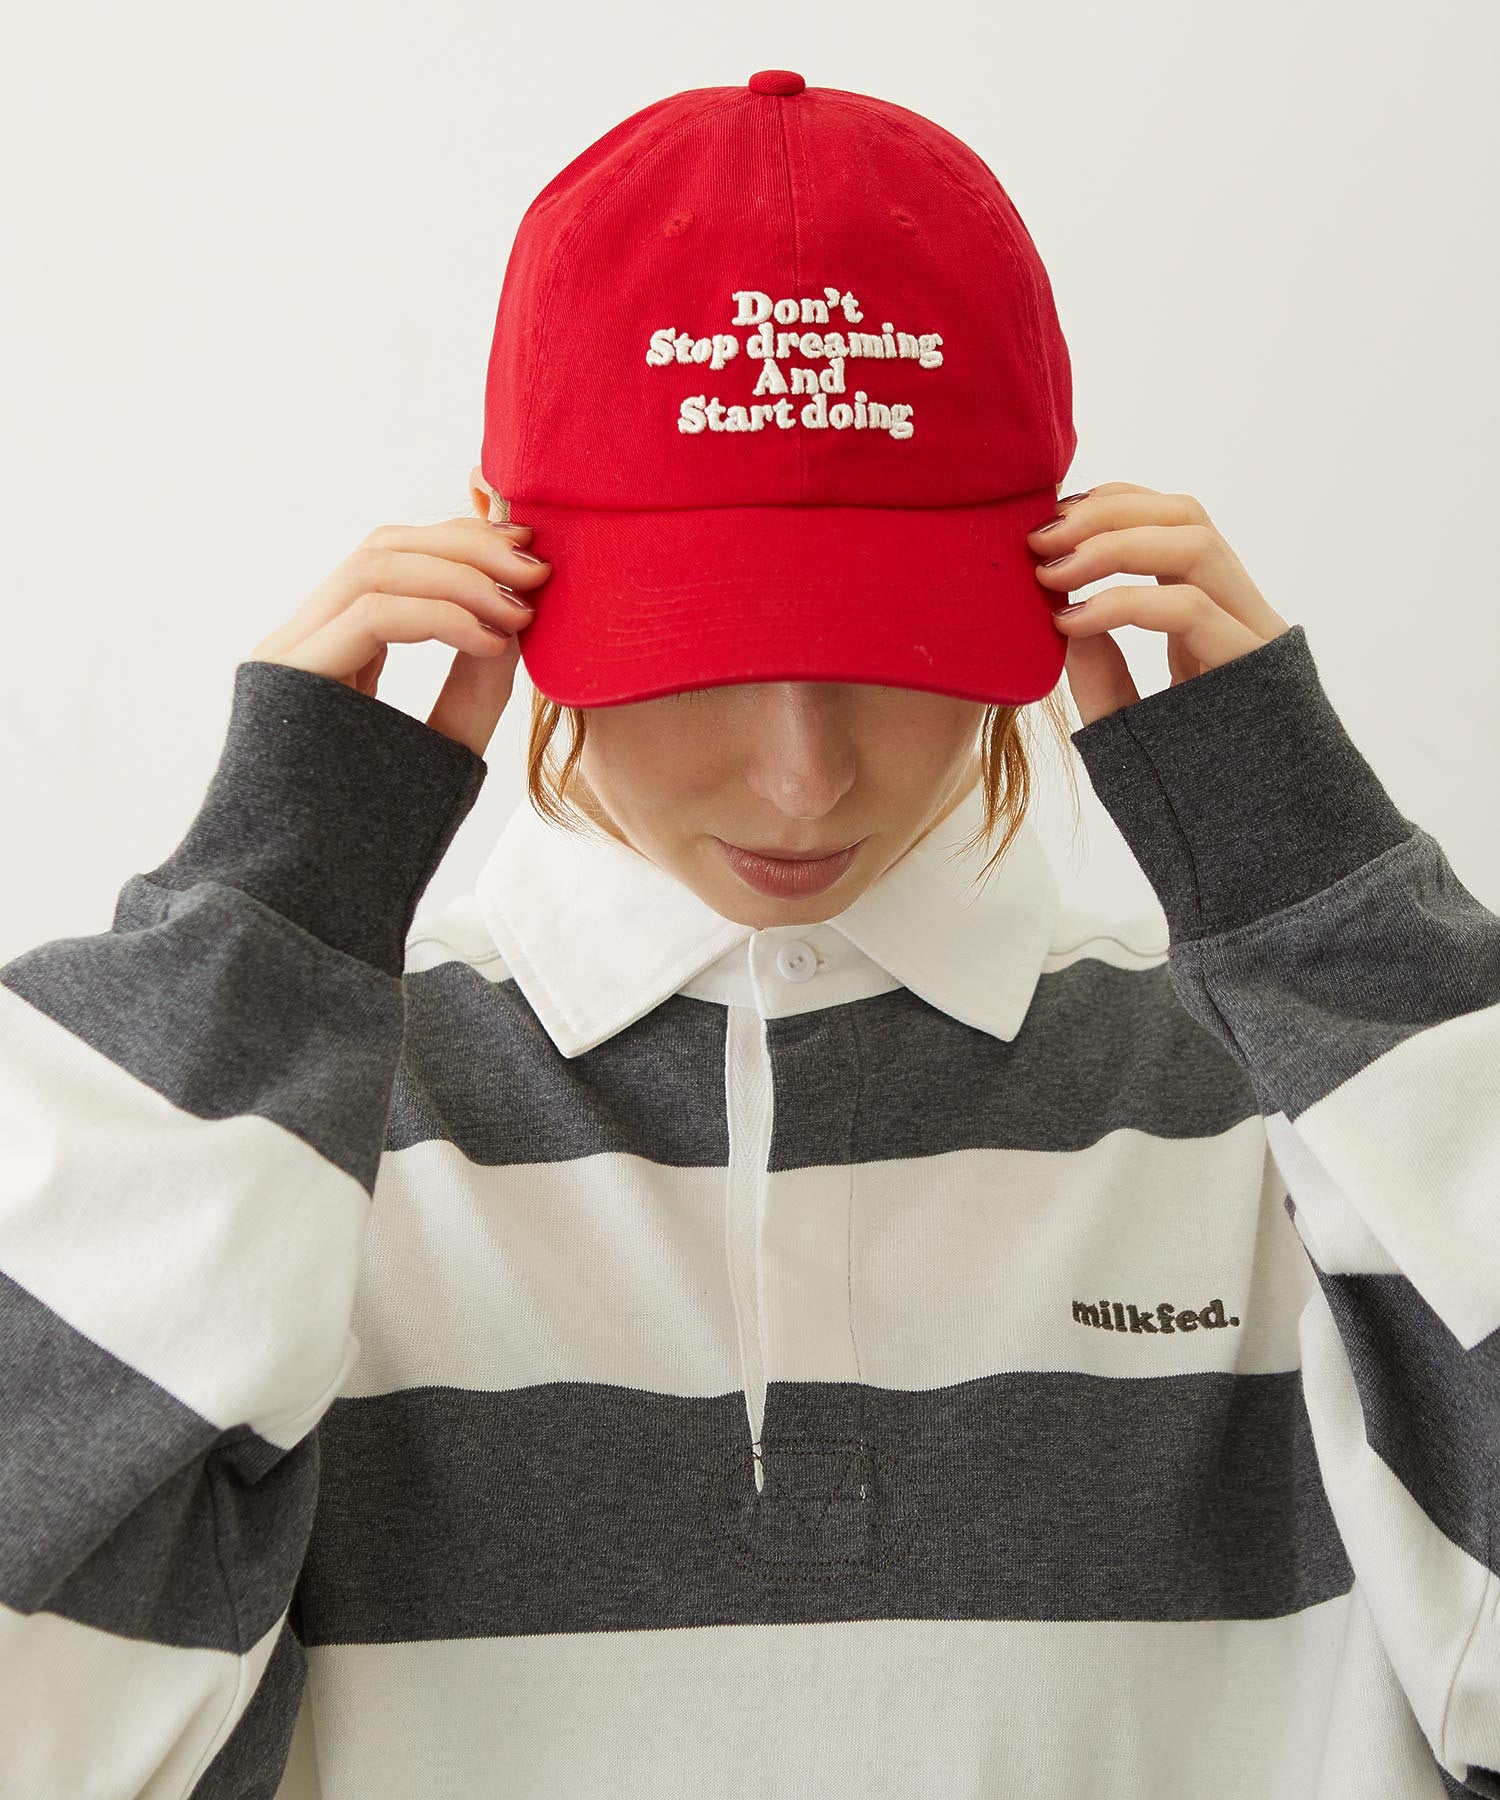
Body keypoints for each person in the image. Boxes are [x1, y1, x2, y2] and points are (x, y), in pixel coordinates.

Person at [2, 71, 1497, 1800]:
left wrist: (1329, 913)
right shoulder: (276, 1154)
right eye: (699, 650)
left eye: (890, 646)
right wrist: (258, 923)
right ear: (502, 569)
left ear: (1050, 571)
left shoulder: (1302, 1119)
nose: (803, 776)